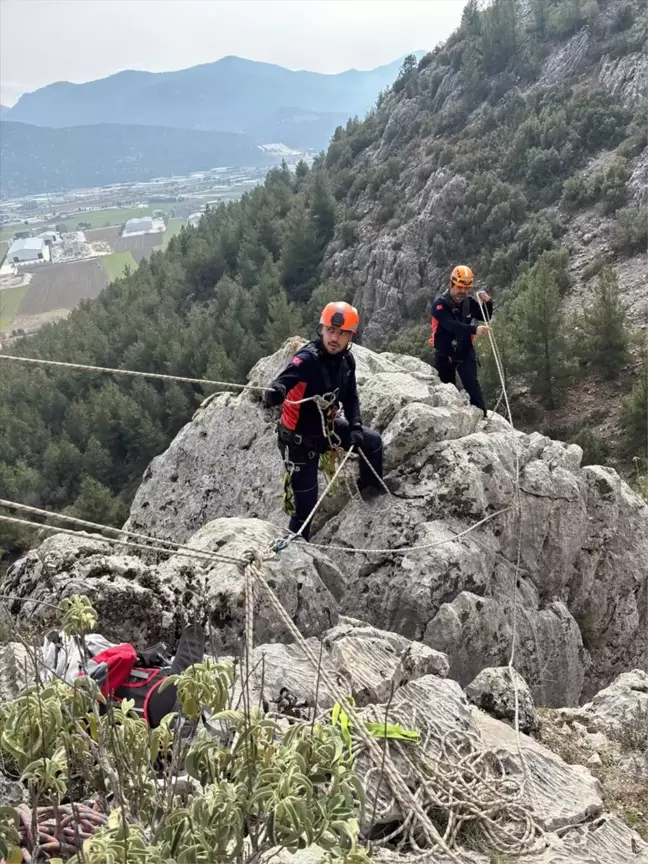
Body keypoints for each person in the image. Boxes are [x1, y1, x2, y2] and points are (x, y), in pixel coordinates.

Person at [263, 301, 384, 541]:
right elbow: (286, 379)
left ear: (350, 336)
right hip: (299, 443)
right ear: (322, 329)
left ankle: (369, 486)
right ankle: (297, 547)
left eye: (342, 333)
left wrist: (356, 425)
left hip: (325, 431)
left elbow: (351, 397)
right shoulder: (307, 359)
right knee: (306, 506)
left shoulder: (347, 362)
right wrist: (275, 392)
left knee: (373, 442)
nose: (334, 338)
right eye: (331, 330)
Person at [428, 265, 493, 417]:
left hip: (464, 351)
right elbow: (451, 325)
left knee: (472, 385)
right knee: (446, 390)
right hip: (445, 354)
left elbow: (485, 317)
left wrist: (488, 302)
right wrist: (474, 330)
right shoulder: (439, 305)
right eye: (459, 287)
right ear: (451, 284)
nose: (463, 292)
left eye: (466, 288)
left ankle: (482, 417)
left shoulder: (468, 302)